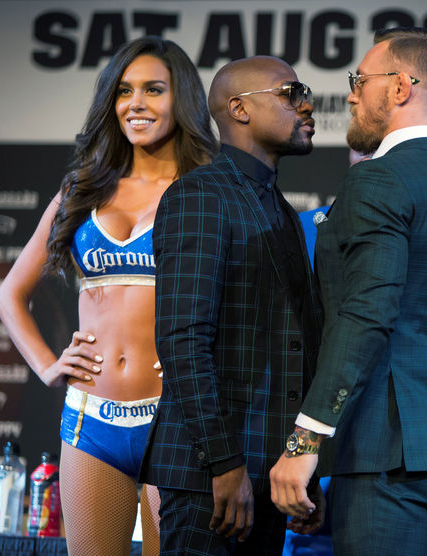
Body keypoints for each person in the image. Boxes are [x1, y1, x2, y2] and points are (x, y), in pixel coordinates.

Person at [0, 36, 216, 555]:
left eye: (153, 90)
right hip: (91, 418)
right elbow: (10, 295)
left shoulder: (208, 187)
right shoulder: (83, 189)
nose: (135, 103)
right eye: (123, 91)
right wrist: (49, 366)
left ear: (180, 97)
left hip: (177, 416)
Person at [270, 27, 427, 556]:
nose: (351, 95)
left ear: (402, 87)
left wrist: (304, 442)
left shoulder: (377, 180)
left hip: (378, 450)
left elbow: (365, 317)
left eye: (360, 80)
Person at [137, 55, 323, 555]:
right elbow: (181, 340)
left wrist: (303, 465)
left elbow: (295, 351)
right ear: (239, 109)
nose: (308, 105)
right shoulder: (199, 195)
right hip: (211, 478)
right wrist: (223, 463)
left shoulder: (280, 209)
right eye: (291, 93)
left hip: (268, 476)